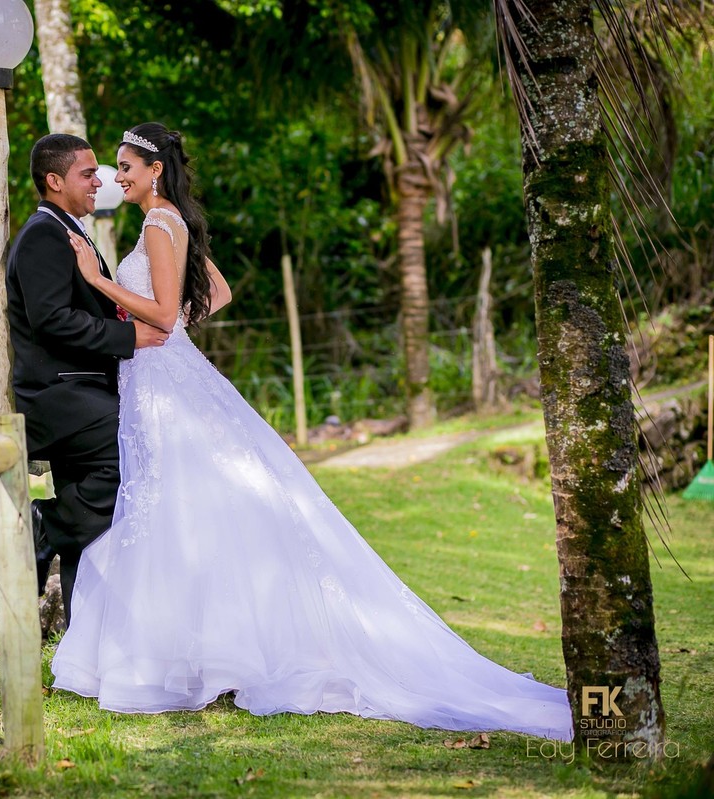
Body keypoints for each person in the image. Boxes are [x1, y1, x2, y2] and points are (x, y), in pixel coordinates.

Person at [49, 122, 573, 742]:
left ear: (155, 170)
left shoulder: (161, 224)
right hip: (162, 378)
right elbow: (216, 292)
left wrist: (98, 281)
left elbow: (164, 314)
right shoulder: (165, 222)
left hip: (164, 384)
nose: (118, 176)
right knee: (186, 513)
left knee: (178, 508)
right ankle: (201, 652)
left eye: (126, 166)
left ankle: (190, 658)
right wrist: (168, 322)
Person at [6, 133, 170, 625]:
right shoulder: (43, 235)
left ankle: (87, 638)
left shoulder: (68, 230)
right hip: (61, 398)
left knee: (101, 518)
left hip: (80, 391)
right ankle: (48, 525)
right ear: (54, 181)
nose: (99, 181)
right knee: (134, 454)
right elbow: (52, 320)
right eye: (86, 173)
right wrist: (128, 338)